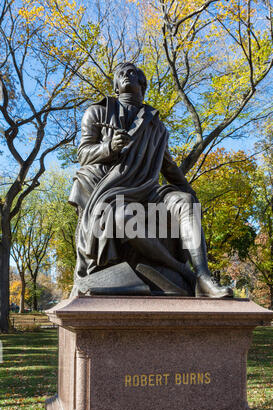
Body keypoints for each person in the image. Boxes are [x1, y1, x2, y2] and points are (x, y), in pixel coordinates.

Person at [69, 62, 233, 298]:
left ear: (142, 85)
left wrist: (189, 191)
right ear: (116, 86)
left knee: (186, 202)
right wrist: (109, 148)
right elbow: (84, 153)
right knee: (123, 216)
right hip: (111, 192)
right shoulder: (97, 112)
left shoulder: (156, 124)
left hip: (147, 190)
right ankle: (184, 273)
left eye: (133, 73)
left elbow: (168, 166)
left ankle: (204, 277)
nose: (127, 75)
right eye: (121, 74)